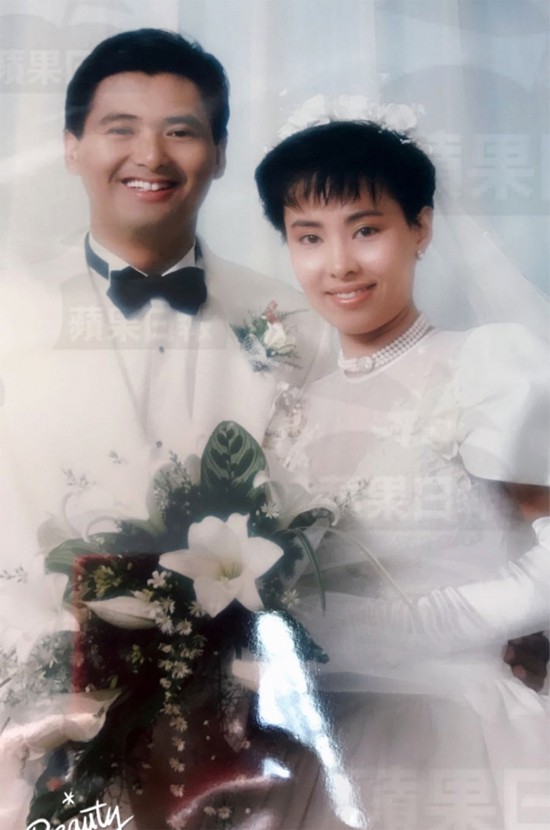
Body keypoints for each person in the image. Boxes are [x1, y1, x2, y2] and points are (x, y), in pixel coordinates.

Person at [0, 29, 332, 830]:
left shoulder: (294, 324)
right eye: (121, 128)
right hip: (26, 718)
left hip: (230, 734)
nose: (150, 155)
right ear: (73, 146)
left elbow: (328, 517)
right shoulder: (9, 307)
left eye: (181, 131)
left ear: (219, 153)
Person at [254, 119, 550, 829]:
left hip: (459, 730)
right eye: (309, 237)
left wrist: (429, 625)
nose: (339, 264)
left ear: (421, 228)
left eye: (366, 230)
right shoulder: (287, 406)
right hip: (321, 738)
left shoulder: (485, 367)